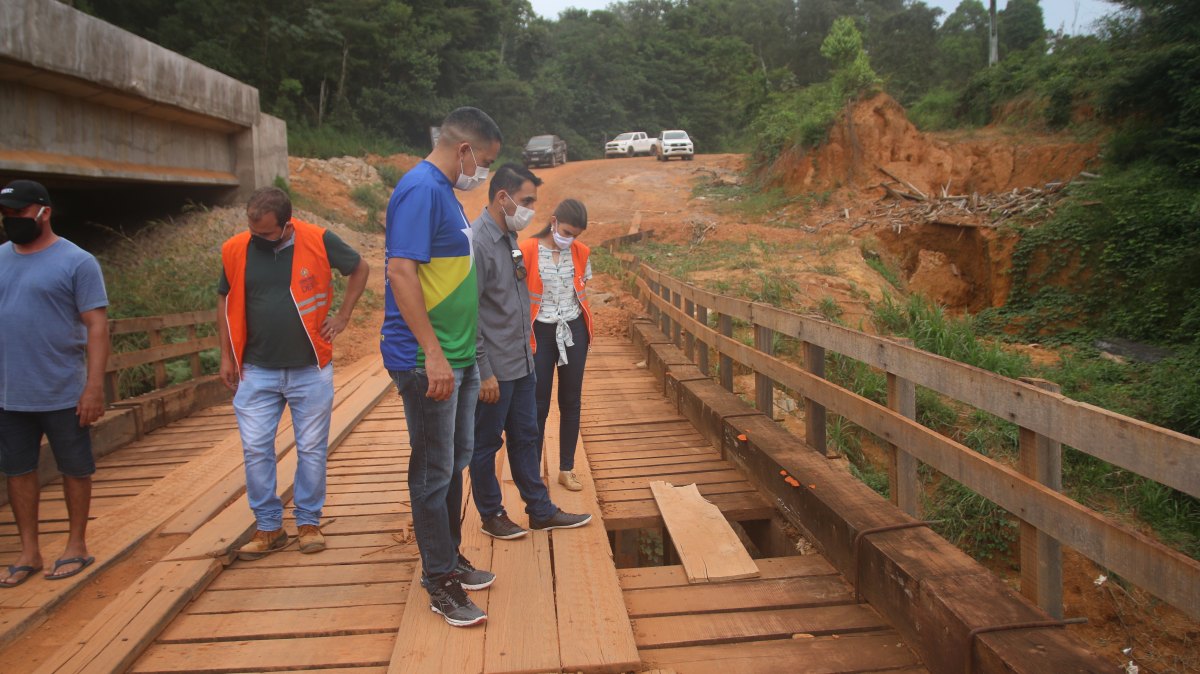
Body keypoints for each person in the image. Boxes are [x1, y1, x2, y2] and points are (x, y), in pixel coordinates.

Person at [381, 107, 501, 628]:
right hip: (428, 358)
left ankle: (449, 556)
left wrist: (464, 352)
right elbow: (400, 271)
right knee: (433, 471)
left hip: (459, 354)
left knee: (454, 461)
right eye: (485, 161)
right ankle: (439, 580)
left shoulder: (445, 193)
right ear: (464, 150)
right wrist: (432, 352)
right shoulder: (420, 190)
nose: (484, 173)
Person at [217, 186, 369, 561]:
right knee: (256, 449)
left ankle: (308, 523)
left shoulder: (318, 240)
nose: (257, 238)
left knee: (312, 449)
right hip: (256, 370)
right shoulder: (235, 249)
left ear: (287, 225)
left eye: (266, 233)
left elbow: (359, 268)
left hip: (309, 368)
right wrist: (226, 355)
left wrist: (343, 316)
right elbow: (224, 299)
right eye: (253, 230)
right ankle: (269, 527)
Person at [470, 165, 592, 541]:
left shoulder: (509, 237)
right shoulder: (477, 243)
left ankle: (540, 510)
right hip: (496, 367)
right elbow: (469, 313)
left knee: (526, 435)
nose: (530, 210)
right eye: (526, 201)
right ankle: (492, 514)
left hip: (522, 360)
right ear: (502, 197)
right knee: (486, 444)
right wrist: (483, 370)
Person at [0, 179, 109, 586]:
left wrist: (93, 386)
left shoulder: (77, 262)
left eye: (19, 213)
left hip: (63, 388)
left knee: (75, 467)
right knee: (18, 470)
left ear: (44, 212)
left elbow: (96, 325)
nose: (12, 220)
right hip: (10, 391)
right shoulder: (0, 259)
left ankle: (76, 544)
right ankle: (28, 551)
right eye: (6, 214)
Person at [520, 200, 593, 492]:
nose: (570, 239)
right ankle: (532, 473)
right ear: (553, 222)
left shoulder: (581, 252)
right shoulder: (526, 249)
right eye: (566, 232)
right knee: (537, 404)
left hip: (573, 331)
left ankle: (566, 468)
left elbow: (581, 290)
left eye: (575, 235)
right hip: (540, 332)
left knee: (571, 400)